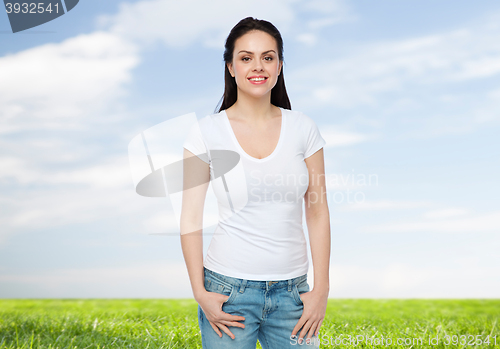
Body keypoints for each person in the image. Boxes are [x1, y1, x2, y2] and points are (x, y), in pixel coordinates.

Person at [180, 17, 330, 349]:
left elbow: (317, 212)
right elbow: (190, 218)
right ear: (231, 67)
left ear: (279, 66)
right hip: (227, 292)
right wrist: (199, 292)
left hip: (293, 294)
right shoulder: (205, 132)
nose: (257, 66)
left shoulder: (304, 129)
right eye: (246, 58)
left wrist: (321, 289)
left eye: (268, 57)